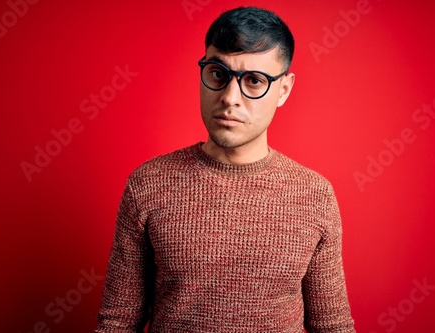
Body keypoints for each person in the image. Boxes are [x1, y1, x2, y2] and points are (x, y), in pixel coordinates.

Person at [95, 6, 355, 333]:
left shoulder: (315, 196)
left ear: (284, 90)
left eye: (254, 81)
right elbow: (118, 324)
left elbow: (333, 327)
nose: (230, 98)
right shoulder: (148, 185)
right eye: (218, 73)